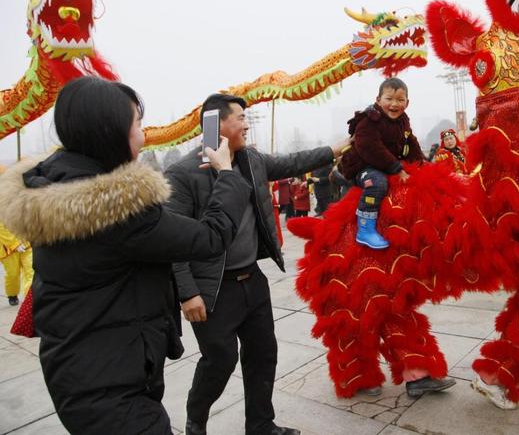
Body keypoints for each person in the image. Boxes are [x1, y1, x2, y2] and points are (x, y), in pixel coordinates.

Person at [0, 77, 244, 435]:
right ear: (110, 131)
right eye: (138, 125)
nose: (144, 136)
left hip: (78, 372)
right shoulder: (120, 211)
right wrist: (226, 174)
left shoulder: (53, 187)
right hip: (113, 393)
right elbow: (210, 237)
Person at [165, 92, 350, 435]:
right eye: (240, 118)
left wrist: (336, 149)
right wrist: (187, 292)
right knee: (220, 360)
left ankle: (261, 425)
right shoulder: (183, 174)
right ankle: (195, 421)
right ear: (217, 123)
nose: (247, 125)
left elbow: (293, 162)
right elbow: (173, 239)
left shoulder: (250, 159)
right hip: (213, 289)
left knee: (263, 354)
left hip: (252, 279)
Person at [338, 77, 424, 249]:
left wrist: (422, 164)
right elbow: (371, 148)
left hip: (386, 165)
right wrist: (397, 169)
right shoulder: (369, 119)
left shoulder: (403, 121)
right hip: (363, 166)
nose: (394, 104)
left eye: (400, 100)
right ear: (378, 100)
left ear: (407, 103)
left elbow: (411, 142)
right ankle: (365, 228)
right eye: (389, 99)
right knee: (377, 183)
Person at [0, 222, 33, 306]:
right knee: (13, 274)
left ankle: (29, 300)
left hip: (26, 243)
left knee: (31, 272)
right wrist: (14, 244)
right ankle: (12, 294)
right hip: (7, 249)